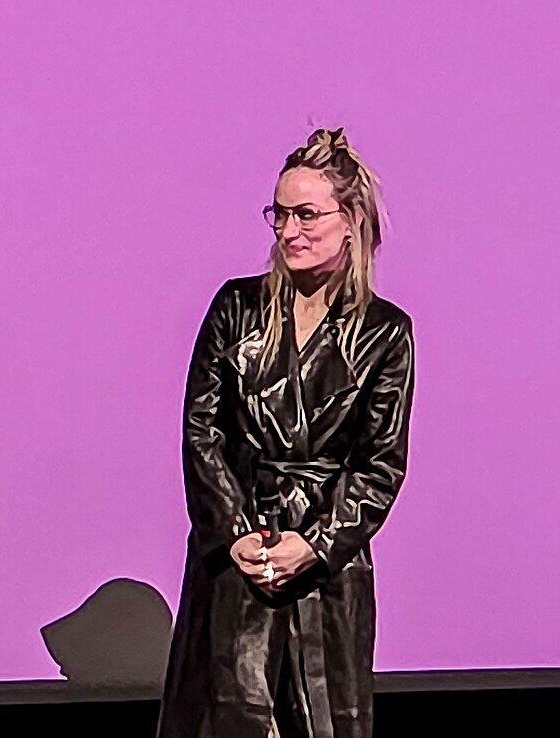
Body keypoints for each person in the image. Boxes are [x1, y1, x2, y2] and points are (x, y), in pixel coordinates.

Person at [157, 128, 416, 738]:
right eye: (279, 214)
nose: (288, 230)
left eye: (306, 214)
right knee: (230, 717)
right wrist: (238, 534)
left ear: (350, 220)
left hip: (327, 571)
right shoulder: (236, 308)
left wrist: (318, 543)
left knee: (323, 720)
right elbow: (202, 431)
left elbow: (380, 464)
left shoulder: (385, 333)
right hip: (237, 559)